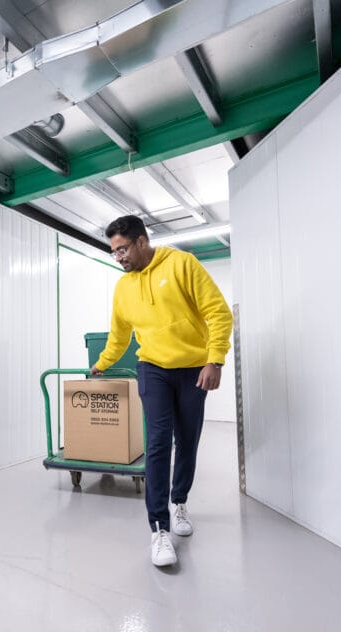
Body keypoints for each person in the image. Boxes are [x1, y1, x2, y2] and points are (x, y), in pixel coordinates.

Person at [90, 215, 233, 567]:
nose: (119, 257)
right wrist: (102, 363)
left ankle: (179, 501)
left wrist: (214, 360)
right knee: (157, 442)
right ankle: (159, 528)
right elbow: (119, 335)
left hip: (192, 369)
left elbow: (219, 312)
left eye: (122, 249)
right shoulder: (123, 287)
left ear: (142, 241)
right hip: (152, 368)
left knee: (187, 438)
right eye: (114, 252)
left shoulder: (182, 264)